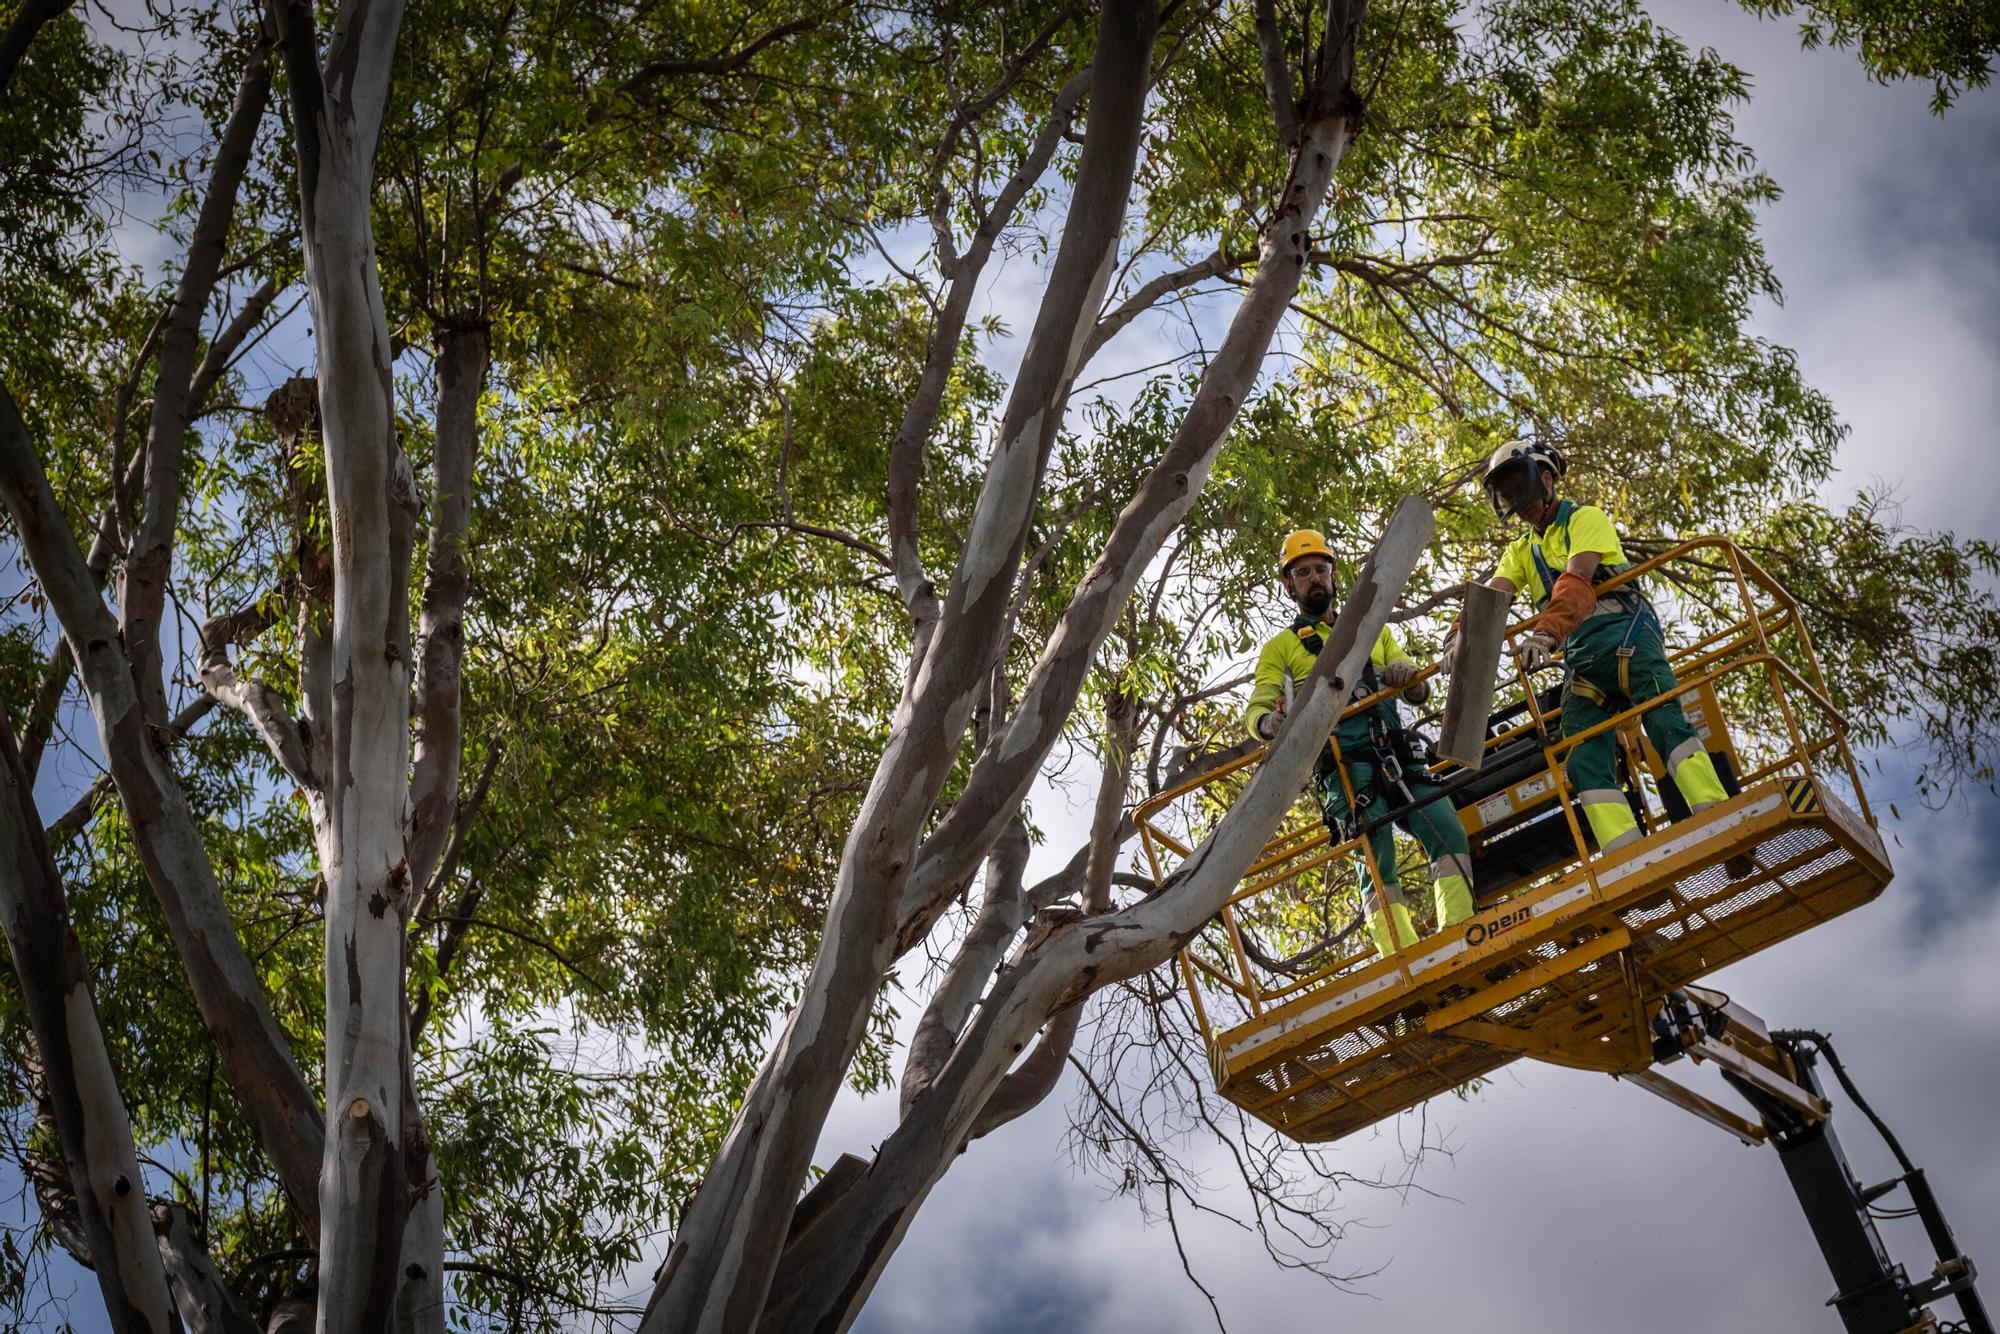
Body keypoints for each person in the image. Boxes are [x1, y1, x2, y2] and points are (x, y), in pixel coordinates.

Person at [1466, 439, 1728, 855]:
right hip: (1584, 664)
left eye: (1522, 486)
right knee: (1584, 759)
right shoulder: (1520, 551)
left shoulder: (1585, 520)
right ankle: (1628, 856)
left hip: (1627, 638)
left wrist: (1546, 633)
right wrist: (1460, 637)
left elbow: (1576, 583)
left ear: (1546, 478)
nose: (1518, 499)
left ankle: (1719, 822)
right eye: (1509, 491)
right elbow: (1491, 600)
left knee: (1665, 721)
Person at [1244, 529, 1475, 958]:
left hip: (1395, 754)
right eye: (1302, 573)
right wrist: (1270, 722)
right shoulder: (1282, 649)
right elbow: (1258, 705)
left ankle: (1459, 936)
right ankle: (1403, 959)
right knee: (1376, 856)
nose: (1314, 578)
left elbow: (1414, 685)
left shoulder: (1372, 628)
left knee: (1446, 827)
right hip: (1347, 770)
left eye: (1320, 570)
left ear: (1334, 577)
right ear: (1289, 585)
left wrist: (1408, 677)